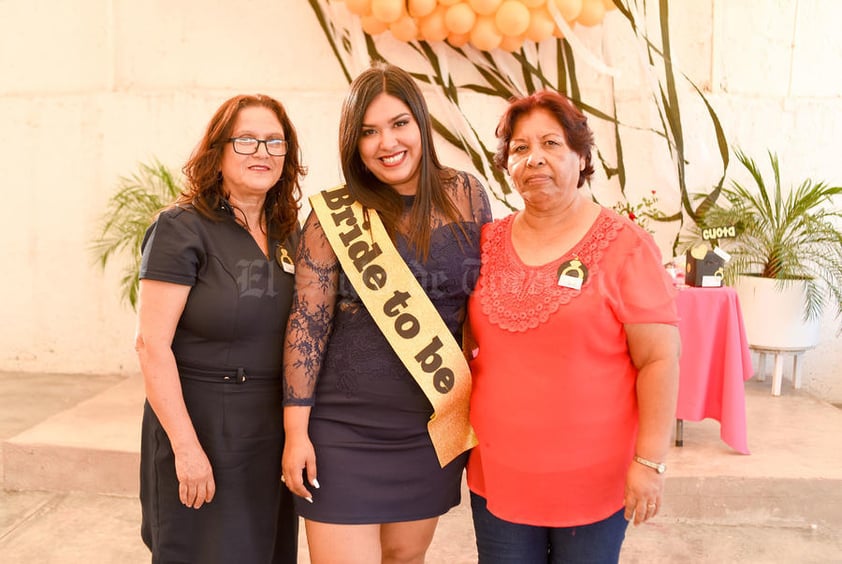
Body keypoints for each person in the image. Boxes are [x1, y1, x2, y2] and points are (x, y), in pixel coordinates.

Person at [281, 62, 492, 564]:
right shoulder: (331, 215)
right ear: (353, 142)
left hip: (429, 426)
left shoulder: (467, 194)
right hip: (342, 429)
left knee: (404, 559)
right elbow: (306, 327)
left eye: (399, 123)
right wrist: (295, 434)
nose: (387, 142)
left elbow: (484, 302)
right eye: (369, 132)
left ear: (421, 124)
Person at [465, 90, 680, 563]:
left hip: (593, 481)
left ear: (582, 156)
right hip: (500, 473)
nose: (534, 158)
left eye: (551, 144)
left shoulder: (625, 246)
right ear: (507, 164)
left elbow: (660, 358)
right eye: (520, 148)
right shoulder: (484, 242)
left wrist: (650, 461)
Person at [135, 94, 305, 563]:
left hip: (270, 426)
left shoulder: (290, 230)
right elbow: (152, 346)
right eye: (247, 140)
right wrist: (186, 449)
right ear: (219, 150)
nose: (262, 152)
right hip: (202, 423)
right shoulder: (180, 229)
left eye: (275, 142)